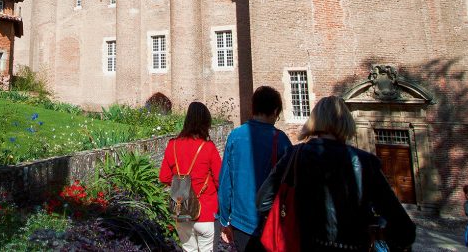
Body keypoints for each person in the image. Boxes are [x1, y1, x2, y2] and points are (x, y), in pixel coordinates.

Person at [257, 96, 416, 251]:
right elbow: (405, 231)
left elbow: (263, 201)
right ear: (346, 122)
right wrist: (376, 231)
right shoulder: (365, 163)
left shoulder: (295, 155)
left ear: (314, 121)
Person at [217, 86, 292, 251]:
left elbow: (224, 184)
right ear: (274, 111)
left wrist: (224, 220)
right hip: (269, 222)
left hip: (240, 222)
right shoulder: (281, 140)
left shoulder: (235, 136)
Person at [159, 101, 222, 252]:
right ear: (205, 123)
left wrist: (183, 184)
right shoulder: (208, 147)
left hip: (182, 211)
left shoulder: (172, 145)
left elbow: (164, 177)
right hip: (206, 210)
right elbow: (221, 180)